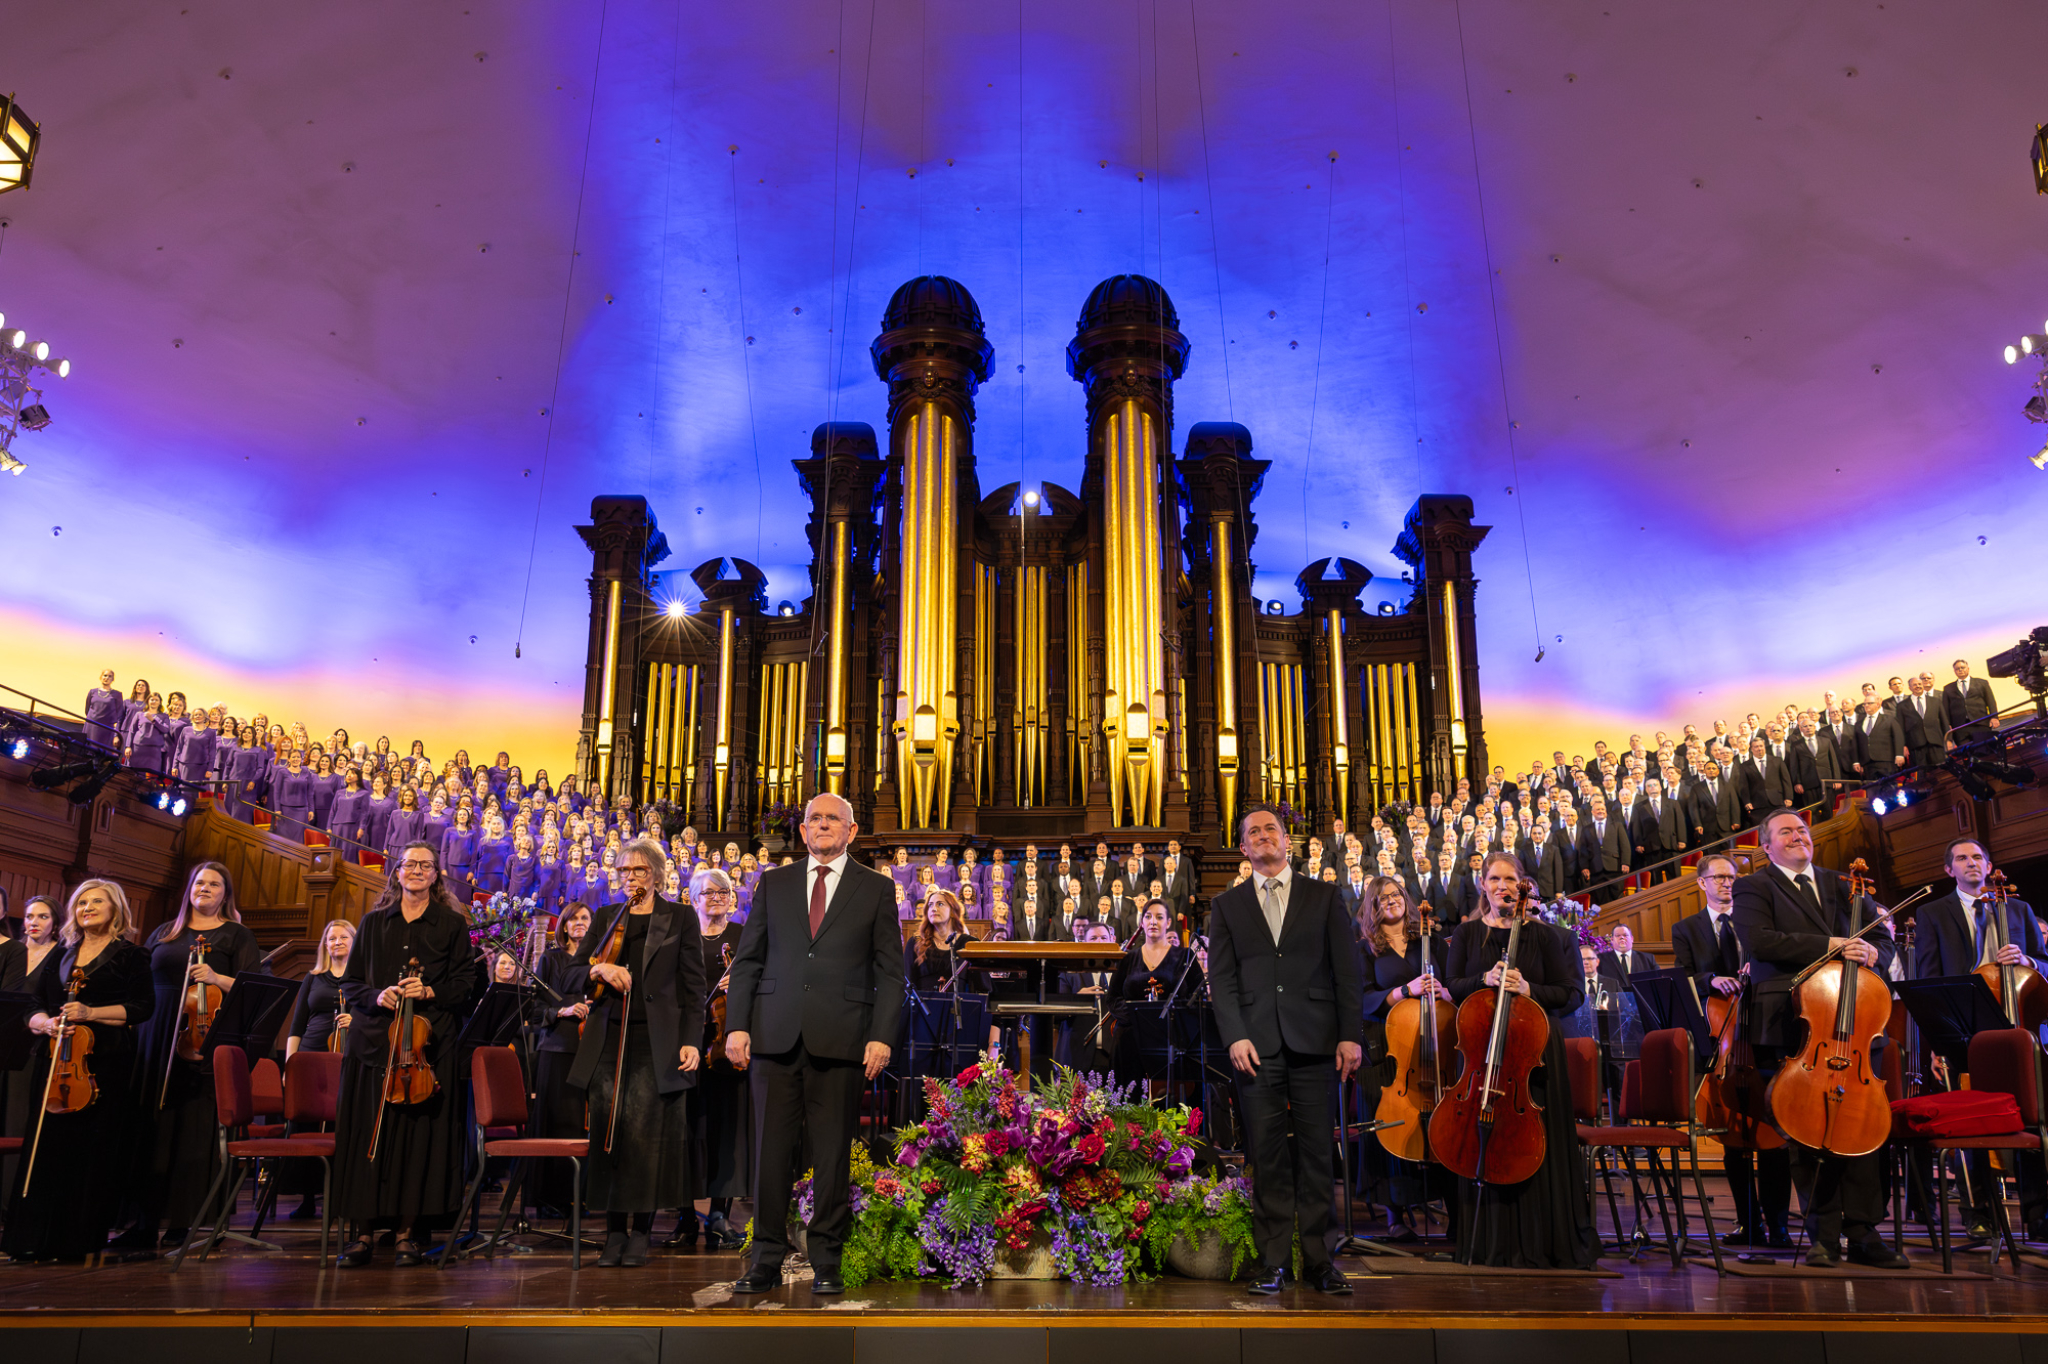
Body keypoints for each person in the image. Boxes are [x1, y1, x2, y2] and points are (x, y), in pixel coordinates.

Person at [725, 792, 900, 1297]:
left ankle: (826, 1259)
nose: (823, 825)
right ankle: (764, 1259)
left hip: (843, 1038)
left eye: (833, 819)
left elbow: (890, 972)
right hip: (773, 1035)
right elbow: (749, 961)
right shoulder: (773, 883)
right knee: (770, 1155)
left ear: (851, 831)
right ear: (802, 831)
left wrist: (881, 1036)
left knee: (832, 1156)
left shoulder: (875, 888)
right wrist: (738, 1025)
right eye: (814, 819)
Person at [1731, 809, 1906, 1267]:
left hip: (1855, 1021)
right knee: (1808, 1130)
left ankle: (1864, 1231)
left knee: (1863, 1125)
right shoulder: (1754, 886)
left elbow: (1882, 940)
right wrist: (1830, 946)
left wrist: (1872, 953)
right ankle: (1823, 1234)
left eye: (1803, 829)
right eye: (1785, 831)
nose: (1798, 836)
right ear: (1766, 846)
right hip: (1794, 1019)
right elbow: (1760, 941)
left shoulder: (1846, 885)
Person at [1205, 803, 1364, 1297]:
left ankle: (1319, 1262)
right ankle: (1272, 1262)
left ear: (1286, 840)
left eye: (1270, 828)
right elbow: (1221, 980)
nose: (1263, 836)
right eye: (1253, 831)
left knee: (1317, 1154)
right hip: (1255, 1046)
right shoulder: (1227, 906)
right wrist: (1235, 1035)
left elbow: (1347, 971)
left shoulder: (1324, 896)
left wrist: (1350, 1033)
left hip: (1316, 1041)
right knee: (1268, 1156)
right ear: (1243, 847)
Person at [1441, 852, 1597, 1269]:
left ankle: (1542, 1238)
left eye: (1510, 879)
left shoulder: (1548, 937)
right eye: (1494, 879)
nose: (1503, 886)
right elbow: (1453, 986)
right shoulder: (1467, 933)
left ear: (1523, 885)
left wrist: (1529, 989)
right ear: (1483, 885)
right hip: (1483, 1054)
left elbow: (1571, 994)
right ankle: (1484, 1241)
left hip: (1535, 1057)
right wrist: (1484, 979)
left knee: (1537, 1138)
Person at [331, 842, 478, 1268]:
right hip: (374, 1046)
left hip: (426, 1050)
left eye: (425, 865)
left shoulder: (452, 924)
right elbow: (351, 983)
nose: (416, 870)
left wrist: (429, 990)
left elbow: (466, 984)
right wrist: (377, 995)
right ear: (397, 873)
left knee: (418, 1142)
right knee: (367, 1137)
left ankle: (407, 1234)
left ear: (436, 875)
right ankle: (362, 1233)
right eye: (409, 864)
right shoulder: (373, 923)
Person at [566, 837, 705, 1268]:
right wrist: (599, 968)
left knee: (647, 1139)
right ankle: (613, 1232)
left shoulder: (680, 916)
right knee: (610, 1134)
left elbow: (693, 986)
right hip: (609, 1038)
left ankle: (641, 1230)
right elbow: (572, 972)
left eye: (639, 870)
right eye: (624, 871)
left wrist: (691, 1039)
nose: (630, 878)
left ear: (657, 875)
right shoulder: (607, 916)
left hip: (657, 1041)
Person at [2, 881, 155, 1263]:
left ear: (115, 908)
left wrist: (90, 1012)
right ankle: (32, 1238)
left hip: (104, 1062)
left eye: (97, 901)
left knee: (90, 1150)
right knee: (46, 1149)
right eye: (82, 902)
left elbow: (142, 1007)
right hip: (54, 1060)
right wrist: (45, 1023)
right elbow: (33, 1004)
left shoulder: (131, 955)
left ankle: (76, 1239)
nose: (87, 907)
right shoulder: (61, 953)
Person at [115, 863, 263, 1255]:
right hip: (155, 1032)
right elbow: (139, 983)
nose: (205, 888)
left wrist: (215, 978)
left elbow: (252, 987)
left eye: (215, 883)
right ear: (189, 889)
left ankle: (185, 1220)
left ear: (226, 893)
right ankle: (142, 1222)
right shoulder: (165, 932)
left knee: (189, 1128)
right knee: (149, 1127)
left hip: (201, 1036)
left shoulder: (237, 935)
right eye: (200, 882)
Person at [1911, 838, 2046, 1241]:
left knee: (2031, 1118)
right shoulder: (1933, 913)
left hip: (2017, 1026)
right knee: (1970, 1122)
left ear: (1988, 866)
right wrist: (1937, 1041)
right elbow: (1929, 980)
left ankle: (2038, 1214)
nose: (1971, 863)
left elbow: (2044, 965)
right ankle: (1978, 1212)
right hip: (1963, 1026)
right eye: (1961, 858)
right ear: (1949, 869)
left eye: (1977, 857)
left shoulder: (2018, 909)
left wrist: (2027, 960)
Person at [1357, 876, 1450, 1240]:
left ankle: (1451, 1203)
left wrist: (1445, 991)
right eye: (1381, 898)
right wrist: (1402, 991)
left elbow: (1454, 982)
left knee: (1442, 1119)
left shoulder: (1430, 941)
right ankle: (1395, 1215)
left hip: (1435, 1045)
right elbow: (1361, 998)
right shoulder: (1365, 950)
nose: (1391, 901)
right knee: (1390, 1123)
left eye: (1396, 894)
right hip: (1389, 1050)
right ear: (1372, 908)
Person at [680, 867, 749, 1251]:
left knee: (726, 1132)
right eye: (710, 892)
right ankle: (685, 1216)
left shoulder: (742, 937)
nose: (718, 897)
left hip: (726, 1049)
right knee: (686, 1131)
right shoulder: (682, 936)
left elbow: (762, 982)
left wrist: (741, 983)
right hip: (688, 1044)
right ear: (694, 899)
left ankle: (720, 1215)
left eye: (724, 891)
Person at [0, 894, 62, 1198]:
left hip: (34, 1045)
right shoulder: (12, 950)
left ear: (55, 923)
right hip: (5, 1041)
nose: (33, 922)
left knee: (17, 1120)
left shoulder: (60, 955)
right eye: (29, 916)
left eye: (42, 916)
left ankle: (10, 1200)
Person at [1106, 901, 1203, 1089]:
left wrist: (1174, 1019)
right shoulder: (1128, 959)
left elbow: (1198, 995)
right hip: (1130, 1039)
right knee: (1127, 1097)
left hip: (1172, 1038)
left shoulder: (1185, 956)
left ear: (1168, 923)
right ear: (1142, 922)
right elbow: (1113, 998)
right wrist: (1139, 1018)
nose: (1153, 922)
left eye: (1159, 917)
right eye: (1148, 917)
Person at [904, 888, 967, 993]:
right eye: (930, 905)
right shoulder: (914, 943)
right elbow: (907, 984)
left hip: (959, 1002)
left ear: (953, 911)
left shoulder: (967, 944)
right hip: (923, 1002)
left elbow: (981, 989)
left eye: (940, 904)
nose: (933, 909)